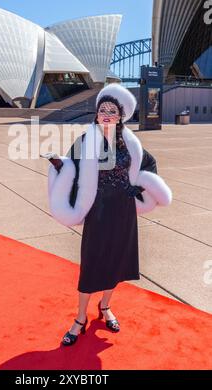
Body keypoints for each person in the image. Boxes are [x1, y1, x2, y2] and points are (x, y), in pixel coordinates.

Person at [47, 83, 172, 346]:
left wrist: (139, 187)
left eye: (112, 111)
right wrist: (59, 165)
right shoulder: (85, 141)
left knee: (117, 261)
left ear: (120, 117)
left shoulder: (130, 143)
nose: (106, 113)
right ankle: (80, 318)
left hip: (124, 211)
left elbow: (148, 166)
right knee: (92, 263)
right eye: (102, 109)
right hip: (98, 210)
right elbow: (72, 167)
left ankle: (105, 307)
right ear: (96, 114)